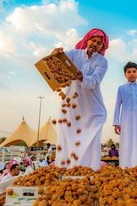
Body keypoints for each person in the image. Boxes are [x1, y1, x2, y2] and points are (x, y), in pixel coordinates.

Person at [53, 28, 109, 171]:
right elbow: (58, 61)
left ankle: (88, 176)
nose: (95, 44)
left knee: (90, 144)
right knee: (67, 139)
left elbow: (95, 82)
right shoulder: (74, 54)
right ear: (87, 40)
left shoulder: (102, 61)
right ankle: (65, 175)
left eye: (99, 43)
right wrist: (54, 55)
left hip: (92, 111)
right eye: (93, 40)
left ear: (102, 47)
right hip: (71, 108)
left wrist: (81, 77)